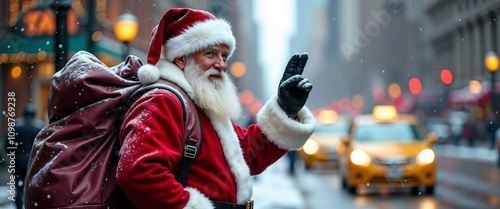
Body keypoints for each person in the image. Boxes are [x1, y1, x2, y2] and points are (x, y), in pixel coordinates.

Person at [116, 7, 316, 209]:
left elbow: (245, 154)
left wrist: (285, 109)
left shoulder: (200, 103)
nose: (221, 64)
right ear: (181, 58)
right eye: (211, 54)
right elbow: (138, 171)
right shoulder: (163, 101)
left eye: (224, 56)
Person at [7, 103, 44, 209]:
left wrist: (13, 156)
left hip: (18, 162)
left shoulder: (16, 126)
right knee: (32, 187)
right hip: (32, 162)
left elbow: (7, 145)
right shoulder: (39, 127)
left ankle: (19, 207)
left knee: (18, 187)